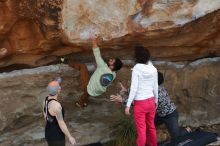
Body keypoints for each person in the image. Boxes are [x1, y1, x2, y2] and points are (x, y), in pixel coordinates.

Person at [110, 72, 191, 140]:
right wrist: (126, 91)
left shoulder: (158, 94)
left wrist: (122, 100)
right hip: (160, 115)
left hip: (170, 115)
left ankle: (187, 130)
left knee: (176, 137)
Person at [61, 34, 123, 107]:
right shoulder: (113, 75)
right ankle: (85, 101)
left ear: (112, 66)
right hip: (98, 91)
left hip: (89, 87)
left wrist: (93, 40)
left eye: (112, 61)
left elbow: (96, 52)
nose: (110, 59)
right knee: (88, 93)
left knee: (83, 67)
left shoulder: (102, 66)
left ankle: (80, 103)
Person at [124, 46, 158, 146]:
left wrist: (128, 105)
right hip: (151, 100)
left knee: (142, 131)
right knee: (151, 127)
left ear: (137, 57)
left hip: (140, 103)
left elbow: (134, 88)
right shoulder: (153, 69)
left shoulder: (137, 69)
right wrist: (156, 100)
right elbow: (155, 87)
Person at [43, 81, 76, 146]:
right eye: (59, 87)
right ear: (58, 91)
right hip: (57, 136)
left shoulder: (45, 99)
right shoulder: (57, 106)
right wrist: (70, 137)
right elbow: (61, 123)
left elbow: (45, 116)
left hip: (48, 131)